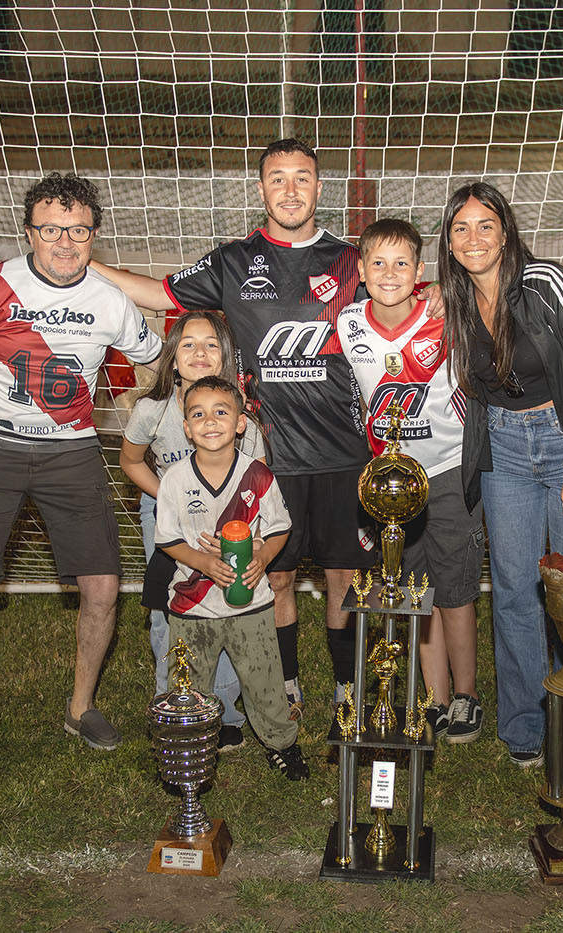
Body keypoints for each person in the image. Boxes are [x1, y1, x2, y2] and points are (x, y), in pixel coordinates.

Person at [90, 139, 374, 720]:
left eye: (302, 178)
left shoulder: (352, 261)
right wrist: (84, 263)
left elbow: (403, 299)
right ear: (261, 188)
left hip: (346, 450)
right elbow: (158, 291)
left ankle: (348, 688)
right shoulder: (232, 261)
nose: (290, 190)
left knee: (346, 578)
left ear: (321, 189)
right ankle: (287, 687)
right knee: (278, 574)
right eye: (277, 178)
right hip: (270, 455)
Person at [0, 172, 162, 783]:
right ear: (29, 231)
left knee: (104, 589)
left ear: (94, 235)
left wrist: (139, 395)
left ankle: (81, 708)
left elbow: (156, 362)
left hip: (72, 453)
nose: (64, 242)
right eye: (51, 229)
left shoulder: (111, 302)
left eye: (78, 230)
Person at [439, 182, 563, 768]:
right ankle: (524, 728)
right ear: (448, 241)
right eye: (461, 228)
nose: (474, 238)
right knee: (516, 593)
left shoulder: (548, 283)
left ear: (507, 231)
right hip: (504, 452)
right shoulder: (457, 301)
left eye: (485, 225)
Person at [332, 218, 485, 743]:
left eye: (402, 263)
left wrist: (449, 288)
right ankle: (435, 699)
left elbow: (490, 294)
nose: (390, 273)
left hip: (444, 471)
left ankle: (466, 696)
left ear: (419, 270)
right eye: (378, 262)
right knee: (414, 589)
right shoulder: (348, 323)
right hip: (390, 485)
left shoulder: (446, 313)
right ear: (360, 269)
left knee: (456, 591)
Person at [121, 311, 264, 751]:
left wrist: (242, 530)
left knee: (219, 608)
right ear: (172, 355)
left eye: (210, 344)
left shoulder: (242, 418)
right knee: (171, 611)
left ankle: (221, 710)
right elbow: (131, 462)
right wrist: (171, 496)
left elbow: (257, 481)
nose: (199, 352)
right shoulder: (153, 409)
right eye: (188, 344)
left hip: (224, 523)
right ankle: (176, 703)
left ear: (225, 357)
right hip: (166, 520)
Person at [154, 375, 308, 780]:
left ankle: (282, 743)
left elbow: (278, 528)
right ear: (186, 428)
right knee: (189, 688)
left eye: (221, 412)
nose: (210, 421)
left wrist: (264, 558)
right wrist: (203, 564)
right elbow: (168, 540)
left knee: (265, 682)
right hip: (192, 606)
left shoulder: (257, 475)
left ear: (240, 422)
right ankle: (187, 751)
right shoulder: (174, 479)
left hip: (252, 605)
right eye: (198, 414)